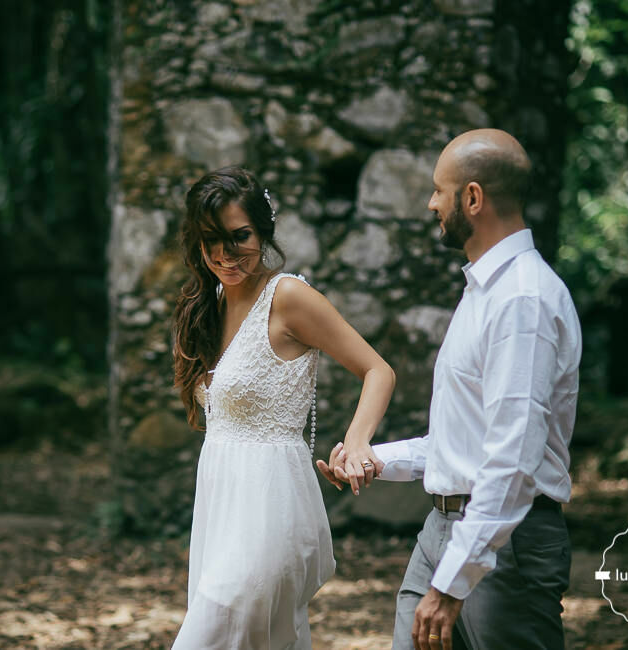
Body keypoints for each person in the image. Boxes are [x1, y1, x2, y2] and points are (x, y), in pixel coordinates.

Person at [319, 129, 582, 650]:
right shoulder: (484, 293)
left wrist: (453, 582)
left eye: (439, 189)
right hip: (440, 531)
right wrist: (372, 457)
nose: (430, 203)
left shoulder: (521, 302)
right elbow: (464, 441)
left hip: (504, 546)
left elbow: (512, 460)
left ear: (473, 197)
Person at [171, 166, 395, 649]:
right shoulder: (209, 303)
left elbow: (379, 370)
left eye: (239, 237)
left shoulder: (288, 297)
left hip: (271, 503)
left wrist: (357, 441)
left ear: (264, 230)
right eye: (210, 240)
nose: (225, 255)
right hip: (220, 502)